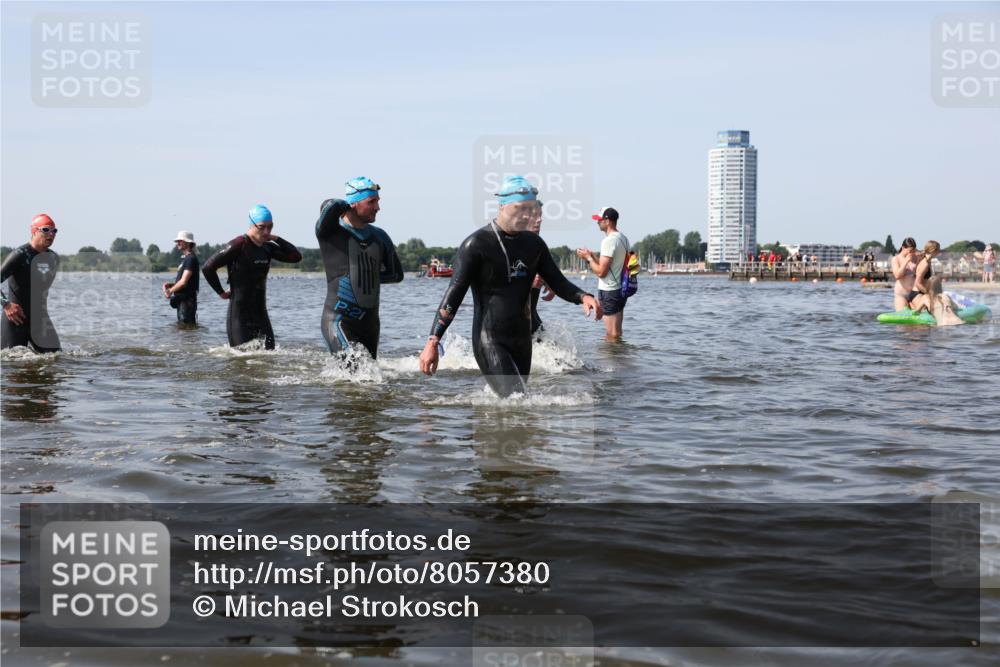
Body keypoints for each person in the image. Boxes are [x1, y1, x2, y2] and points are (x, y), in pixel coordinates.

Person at [418, 176, 602, 397]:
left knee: (517, 406)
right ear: (502, 205)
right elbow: (453, 295)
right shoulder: (476, 245)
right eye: (520, 208)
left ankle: (485, 428)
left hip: (522, 341)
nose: (527, 214)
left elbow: (557, 281)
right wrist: (433, 340)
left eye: (531, 208)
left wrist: (583, 296)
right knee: (517, 399)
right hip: (490, 339)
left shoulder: (534, 245)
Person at [315, 177, 403, 358]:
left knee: (370, 380)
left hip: (370, 325)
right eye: (371, 202)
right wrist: (345, 204)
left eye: (378, 201)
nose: (378, 207)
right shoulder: (331, 232)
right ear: (353, 204)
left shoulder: (380, 236)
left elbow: (396, 275)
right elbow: (330, 206)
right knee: (355, 371)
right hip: (338, 321)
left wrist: (368, 276)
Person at [202, 205, 302, 349]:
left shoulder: (267, 247)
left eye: (270, 227)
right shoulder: (238, 245)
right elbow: (208, 268)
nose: (267, 231)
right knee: (242, 361)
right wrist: (221, 292)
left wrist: (276, 238)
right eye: (262, 227)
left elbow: (296, 257)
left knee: (268, 357)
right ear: (252, 224)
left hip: (261, 314)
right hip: (239, 317)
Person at [1, 214, 61, 352]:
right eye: (46, 230)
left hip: (40, 320)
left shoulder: (53, 258)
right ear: (34, 231)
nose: (51, 234)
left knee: (56, 360)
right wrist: (6, 305)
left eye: (54, 231)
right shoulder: (19, 255)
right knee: (14, 365)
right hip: (15, 320)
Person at [577, 206, 629, 340]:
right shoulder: (622, 238)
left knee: (612, 334)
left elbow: (601, 272)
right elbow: (608, 265)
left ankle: (611, 359)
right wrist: (592, 255)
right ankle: (618, 358)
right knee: (616, 332)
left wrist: (587, 259)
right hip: (619, 289)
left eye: (599, 220)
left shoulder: (609, 241)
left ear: (607, 221)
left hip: (610, 291)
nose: (597, 222)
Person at [528, 199, 554, 336]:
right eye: (535, 216)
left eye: (540, 215)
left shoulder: (537, 242)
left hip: (531, 313)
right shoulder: (511, 242)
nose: (539, 220)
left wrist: (549, 281)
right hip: (512, 317)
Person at [163, 231, 200, 325]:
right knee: (184, 330)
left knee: (185, 327)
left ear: (188, 243)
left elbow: (183, 282)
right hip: (184, 301)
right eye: (177, 241)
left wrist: (170, 290)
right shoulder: (187, 259)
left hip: (187, 301)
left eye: (180, 240)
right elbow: (186, 282)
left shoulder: (190, 259)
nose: (177, 243)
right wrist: (171, 285)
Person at [906, 240, 940, 309]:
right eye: (938, 250)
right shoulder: (925, 264)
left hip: (922, 293)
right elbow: (917, 283)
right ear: (933, 250)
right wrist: (929, 294)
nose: (939, 252)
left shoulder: (928, 261)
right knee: (930, 309)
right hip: (917, 294)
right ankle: (912, 305)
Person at [891, 237, 920, 311]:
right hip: (901, 294)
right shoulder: (896, 259)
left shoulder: (916, 257)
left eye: (914, 250)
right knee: (903, 316)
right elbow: (897, 276)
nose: (912, 253)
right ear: (903, 247)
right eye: (910, 250)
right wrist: (906, 261)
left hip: (914, 293)